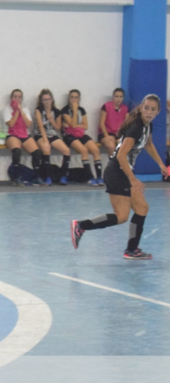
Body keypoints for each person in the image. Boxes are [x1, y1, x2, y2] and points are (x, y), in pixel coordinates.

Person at [71, 94, 168, 260]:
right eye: (146, 108)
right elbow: (121, 156)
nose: (149, 112)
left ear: (158, 112)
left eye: (153, 109)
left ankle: (132, 250)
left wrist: (161, 164)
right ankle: (81, 225)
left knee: (142, 208)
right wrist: (132, 179)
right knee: (122, 216)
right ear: (141, 108)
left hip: (121, 172)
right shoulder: (136, 127)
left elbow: (149, 144)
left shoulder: (147, 126)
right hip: (117, 172)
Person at [3, 89, 45, 186]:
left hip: (24, 134)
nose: (17, 99)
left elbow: (28, 124)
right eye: (15, 96)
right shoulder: (6, 109)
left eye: (19, 97)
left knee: (37, 153)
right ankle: (16, 177)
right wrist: (16, 112)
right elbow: (11, 124)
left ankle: (36, 177)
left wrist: (21, 110)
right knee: (17, 151)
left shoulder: (25, 110)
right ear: (11, 98)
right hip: (12, 134)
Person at [61, 89, 104, 186]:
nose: (74, 99)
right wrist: (75, 111)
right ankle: (90, 177)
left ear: (79, 99)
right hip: (69, 136)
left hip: (81, 135)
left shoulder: (82, 110)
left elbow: (85, 126)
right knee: (84, 150)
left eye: (76, 97)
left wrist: (75, 125)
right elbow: (73, 125)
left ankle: (99, 177)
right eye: (72, 97)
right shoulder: (65, 110)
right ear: (69, 98)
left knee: (95, 150)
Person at [34, 89, 71, 186]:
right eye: (44, 100)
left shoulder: (56, 111)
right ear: (41, 101)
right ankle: (47, 177)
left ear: (52, 100)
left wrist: (51, 119)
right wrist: (46, 140)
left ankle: (63, 176)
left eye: (48, 99)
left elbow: (58, 128)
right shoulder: (38, 110)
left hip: (52, 134)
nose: (46, 102)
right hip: (40, 134)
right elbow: (40, 126)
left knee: (66, 150)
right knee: (46, 149)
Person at [98, 88, 128, 155]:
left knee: (123, 146)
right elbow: (101, 123)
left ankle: (121, 164)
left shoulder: (125, 109)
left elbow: (127, 124)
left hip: (118, 134)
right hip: (106, 133)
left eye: (121, 97)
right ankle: (112, 165)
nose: (118, 99)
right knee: (111, 146)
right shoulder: (106, 106)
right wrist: (106, 136)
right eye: (116, 96)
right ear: (113, 97)